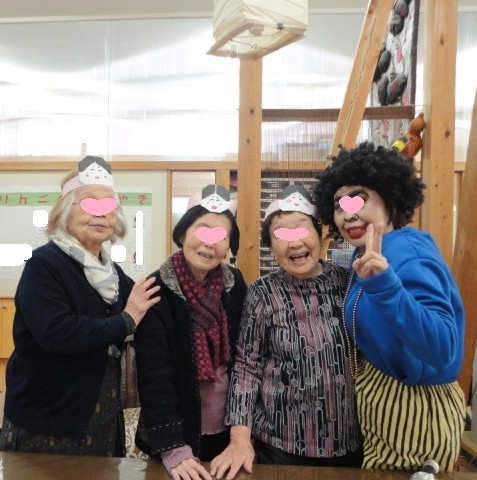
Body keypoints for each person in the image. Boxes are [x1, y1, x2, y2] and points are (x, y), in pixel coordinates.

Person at [313, 142, 466, 471]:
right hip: (382, 403)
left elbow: (443, 347)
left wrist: (386, 286)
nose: (348, 214)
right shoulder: (368, 252)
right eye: (339, 206)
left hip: (415, 410)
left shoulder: (409, 253)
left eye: (359, 200)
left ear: (390, 198)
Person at [0, 156, 161, 457]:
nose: (100, 213)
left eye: (108, 206)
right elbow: (57, 332)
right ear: (65, 211)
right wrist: (126, 321)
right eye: (88, 204)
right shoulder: (44, 265)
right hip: (47, 421)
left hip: (100, 416)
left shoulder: (112, 272)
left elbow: (148, 302)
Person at [210, 185, 363, 480]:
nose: (294, 242)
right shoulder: (262, 293)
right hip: (280, 446)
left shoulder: (348, 282)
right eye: (281, 234)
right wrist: (240, 439)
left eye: (302, 229)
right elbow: (246, 367)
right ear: (271, 245)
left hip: (349, 444)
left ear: (320, 235)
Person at [134, 185, 248, 480]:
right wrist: (173, 447)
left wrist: (241, 433)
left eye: (221, 235)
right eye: (203, 230)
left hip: (228, 429)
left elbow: (245, 359)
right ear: (183, 233)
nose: (210, 243)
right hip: (177, 432)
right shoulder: (157, 289)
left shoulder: (234, 283)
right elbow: (154, 376)